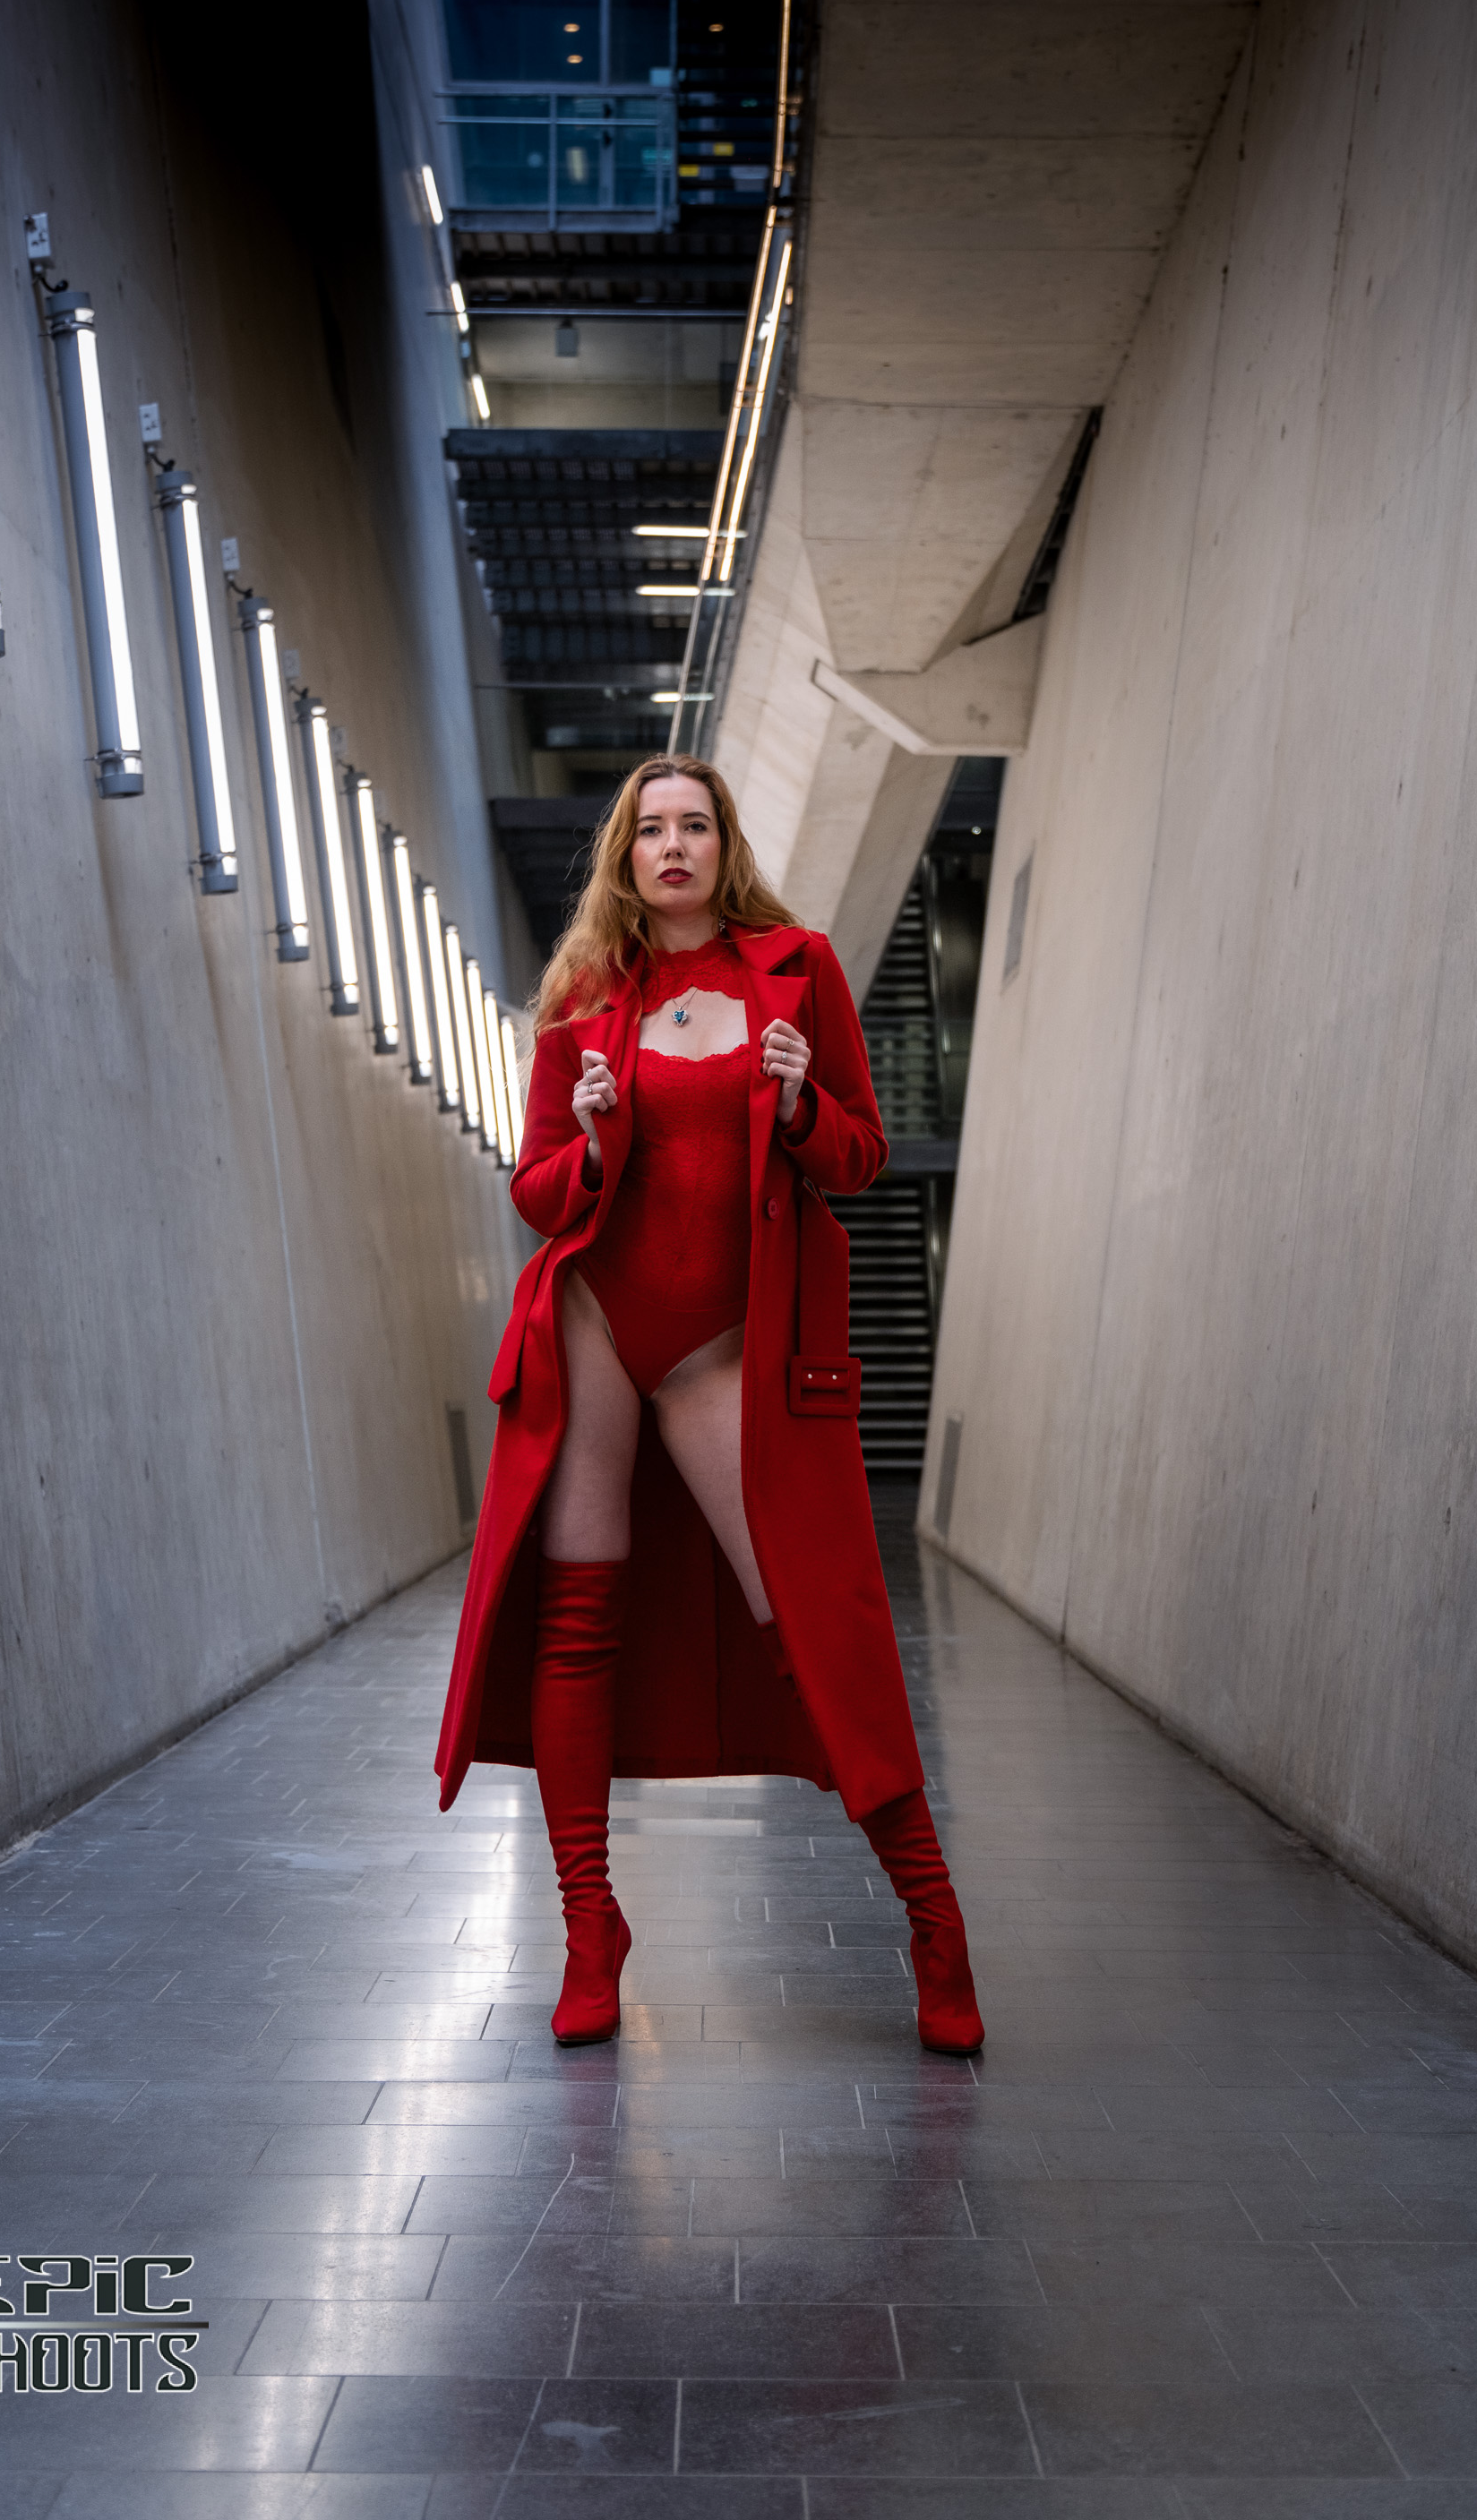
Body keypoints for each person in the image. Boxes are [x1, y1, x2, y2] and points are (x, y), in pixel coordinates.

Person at [434, 756, 983, 2054]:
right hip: (592, 1326)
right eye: (650, 830)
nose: (672, 846)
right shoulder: (584, 994)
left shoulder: (797, 970)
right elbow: (538, 1192)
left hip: (723, 1352)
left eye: (695, 826)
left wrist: (796, 1102)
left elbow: (859, 1156)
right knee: (577, 1622)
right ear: (624, 855)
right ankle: (590, 1928)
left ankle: (935, 1923)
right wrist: (585, 1136)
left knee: (815, 1628)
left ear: (725, 845)